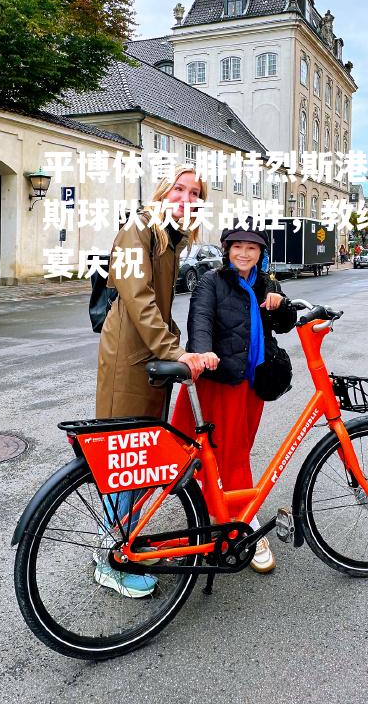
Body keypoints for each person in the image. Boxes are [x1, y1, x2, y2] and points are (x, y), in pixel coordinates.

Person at [94, 165, 210, 598]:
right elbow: (139, 298)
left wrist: (180, 347)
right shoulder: (138, 227)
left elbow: (160, 307)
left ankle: (124, 542)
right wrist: (174, 351)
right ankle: (112, 556)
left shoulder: (169, 237)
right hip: (129, 360)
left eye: (193, 193)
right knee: (121, 459)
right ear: (163, 192)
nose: (184, 197)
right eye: (177, 189)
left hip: (149, 360)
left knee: (138, 459)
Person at [171, 219, 297, 574]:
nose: (244, 252)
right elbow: (201, 320)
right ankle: (246, 527)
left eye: (252, 247)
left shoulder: (266, 284)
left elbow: (286, 322)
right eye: (238, 246)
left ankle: (218, 508)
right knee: (223, 454)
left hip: (250, 384)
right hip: (219, 382)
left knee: (235, 449)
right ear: (227, 250)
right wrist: (201, 353)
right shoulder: (213, 281)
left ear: (261, 253)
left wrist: (280, 304)